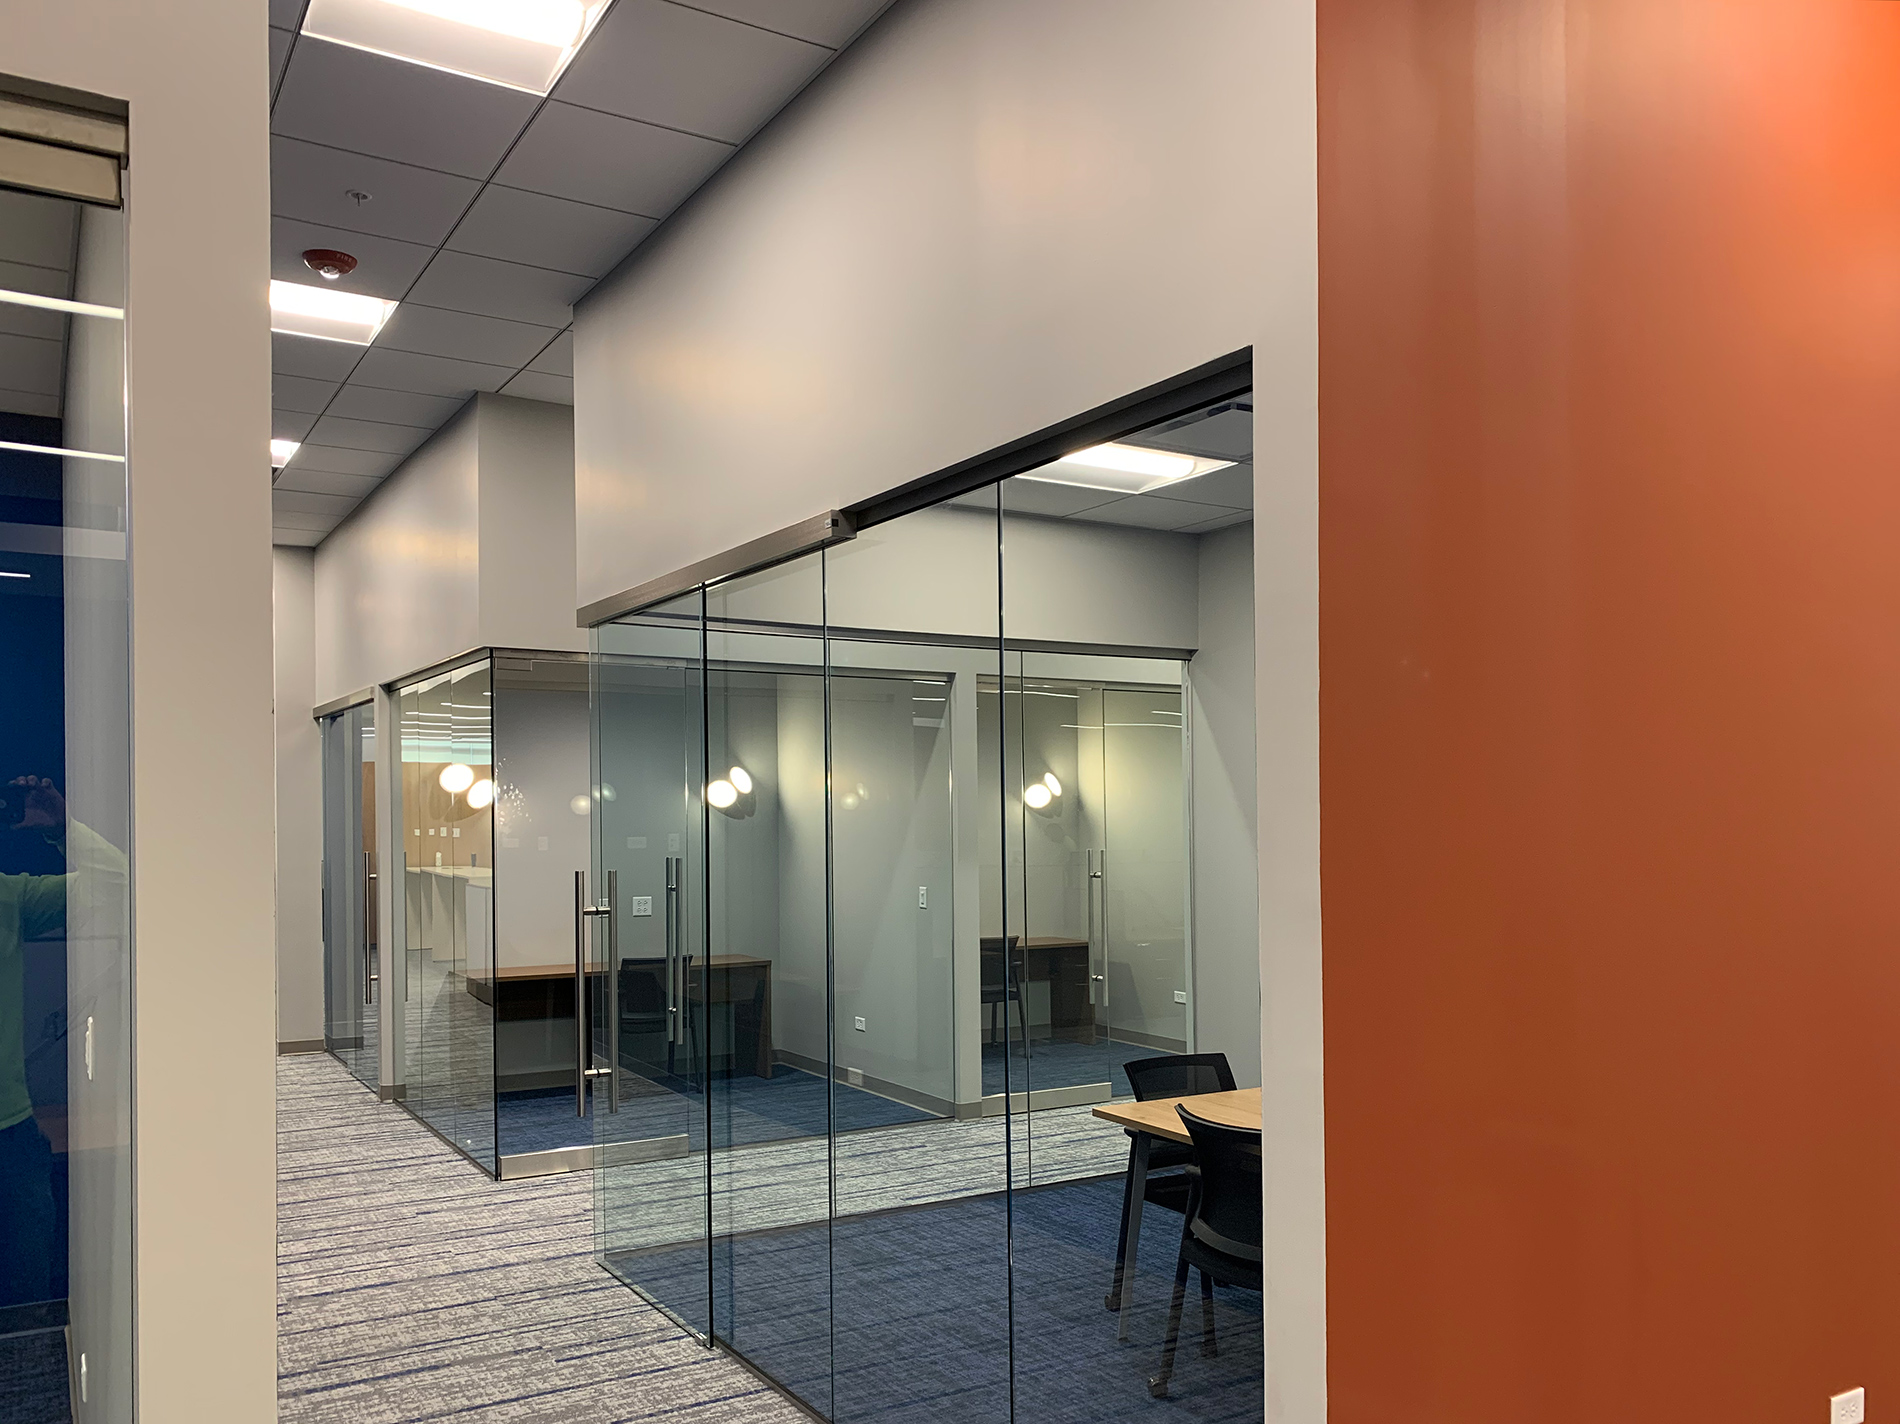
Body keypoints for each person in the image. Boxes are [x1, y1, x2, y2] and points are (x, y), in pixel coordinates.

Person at [0, 776, 123, 1307]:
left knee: (29, 1292)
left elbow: (117, 885)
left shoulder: (9, 895)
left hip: (10, 1128)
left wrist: (62, 829)